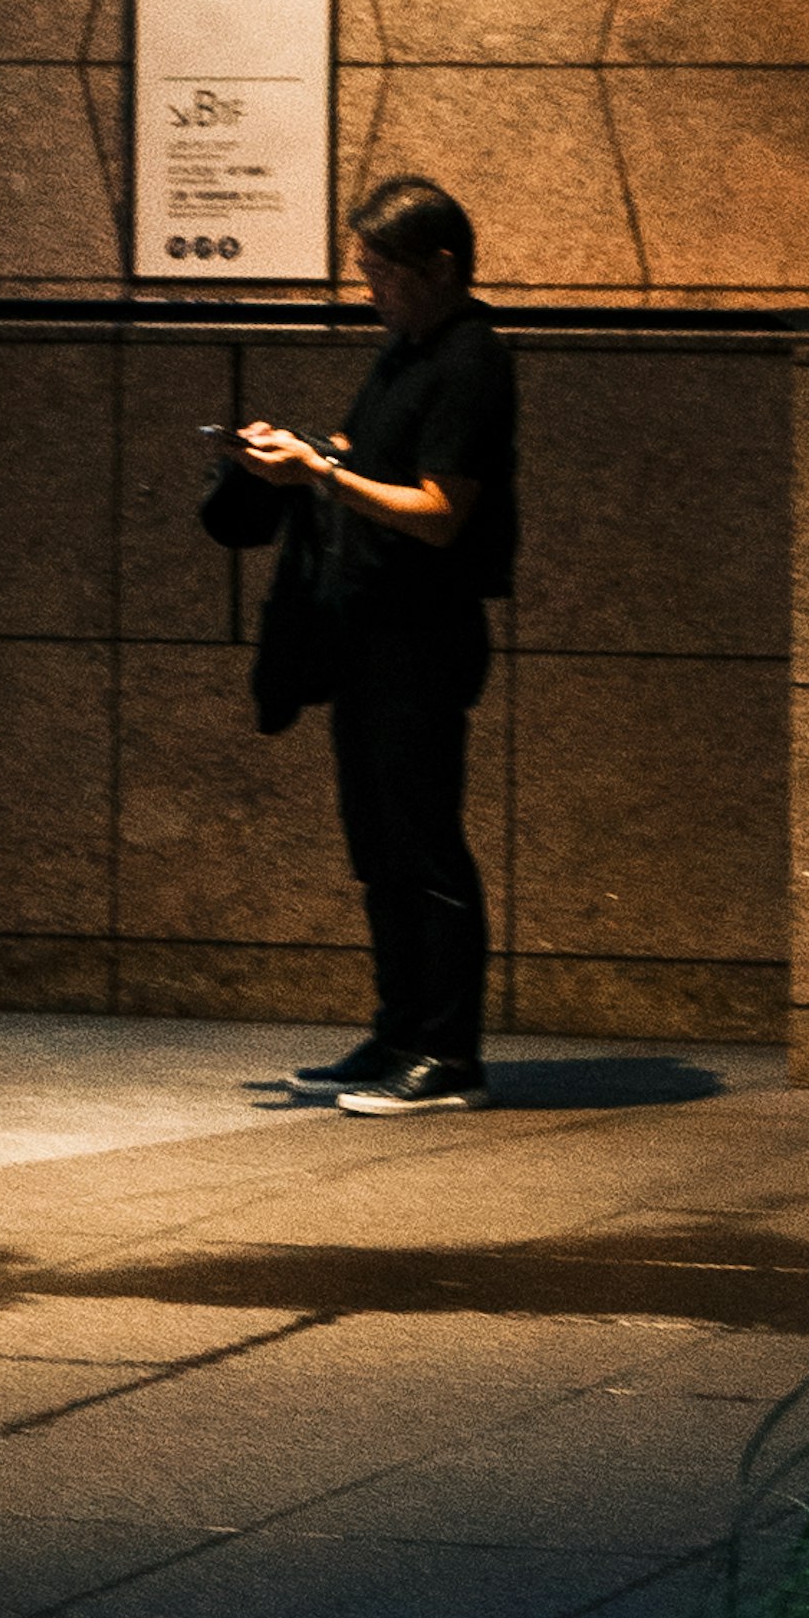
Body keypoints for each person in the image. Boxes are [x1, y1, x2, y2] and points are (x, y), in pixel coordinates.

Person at [208, 169, 519, 1115]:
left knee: (424, 843)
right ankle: (397, 1031)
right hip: (366, 631)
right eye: (363, 268)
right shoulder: (403, 351)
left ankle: (447, 1055)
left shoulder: (470, 358)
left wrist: (324, 476)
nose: (369, 285)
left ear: (442, 266)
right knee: (377, 843)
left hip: (424, 635)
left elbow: (437, 513)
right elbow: (361, 448)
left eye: (383, 269)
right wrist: (297, 453)